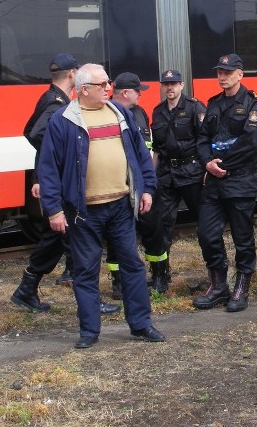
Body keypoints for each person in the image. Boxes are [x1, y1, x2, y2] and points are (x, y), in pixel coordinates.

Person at [38, 63, 164, 349]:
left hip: (120, 205)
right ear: (84, 90)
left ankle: (141, 325)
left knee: (132, 265)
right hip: (84, 211)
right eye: (103, 84)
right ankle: (89, 332)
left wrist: (146, 189)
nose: (110, 88)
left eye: (109, 84)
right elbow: (48, 168)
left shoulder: (120, 113)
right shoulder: (63, 120)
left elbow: (140, 154)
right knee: (85, 271)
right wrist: (54, 210)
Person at [10, 54, 120, 317]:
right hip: (62, 183)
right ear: (72, 75)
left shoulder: (49, 98)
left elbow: (29, 130)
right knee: (76, 243)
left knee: (57, 240)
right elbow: (37, 134)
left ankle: (27, 287)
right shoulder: (57, 102)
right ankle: (88, 301)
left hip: (57, 182)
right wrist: (61, 155)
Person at [193, 54, 257, 312]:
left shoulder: (253, 103)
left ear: (240, 74)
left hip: (240, 180)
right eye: (219, 72)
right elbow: (202, 139)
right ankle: (218, 286)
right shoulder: (212, 104)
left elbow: (252, 142)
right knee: (207, 234)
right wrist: (206, 163)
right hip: (214, 181)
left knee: (242, 238)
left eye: (227, 72)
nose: (222, 76)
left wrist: (222, 165)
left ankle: (242, 287)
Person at [147, 69, 206, 293]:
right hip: (167, 175)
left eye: (174, 84)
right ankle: (161, 274)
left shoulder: (194, 108)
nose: (170, 88)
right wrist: (151, 177)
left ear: (182, 85)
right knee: (161, 226)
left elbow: (204, 141)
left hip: (191, 172)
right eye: (166, 84)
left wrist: (205, 168)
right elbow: (157, 150)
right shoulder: (158, 112)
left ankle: (216, 272)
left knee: (206, 223)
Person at [106, 72, 153, 298]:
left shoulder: (140, 113)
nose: (140, 95)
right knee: (118, 237)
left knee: (144, 232)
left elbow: (147, 149)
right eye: (138, 91)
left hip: (140, 184)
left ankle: (146, 277)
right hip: (119, 186)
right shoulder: (107, 114)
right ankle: (118, 283)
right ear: (126, 93)